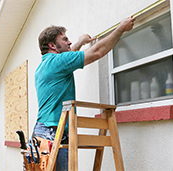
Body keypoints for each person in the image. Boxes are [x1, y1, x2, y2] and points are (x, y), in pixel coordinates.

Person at [33, 16, 135, 170]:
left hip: (41, 131)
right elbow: (97, 52)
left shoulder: (44, 66)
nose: (69, 42)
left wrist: (80, 43)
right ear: (52, 45)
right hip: (54, 132)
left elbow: (67, 59)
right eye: (65, 39)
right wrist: (120, 29)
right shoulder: (58, 63)